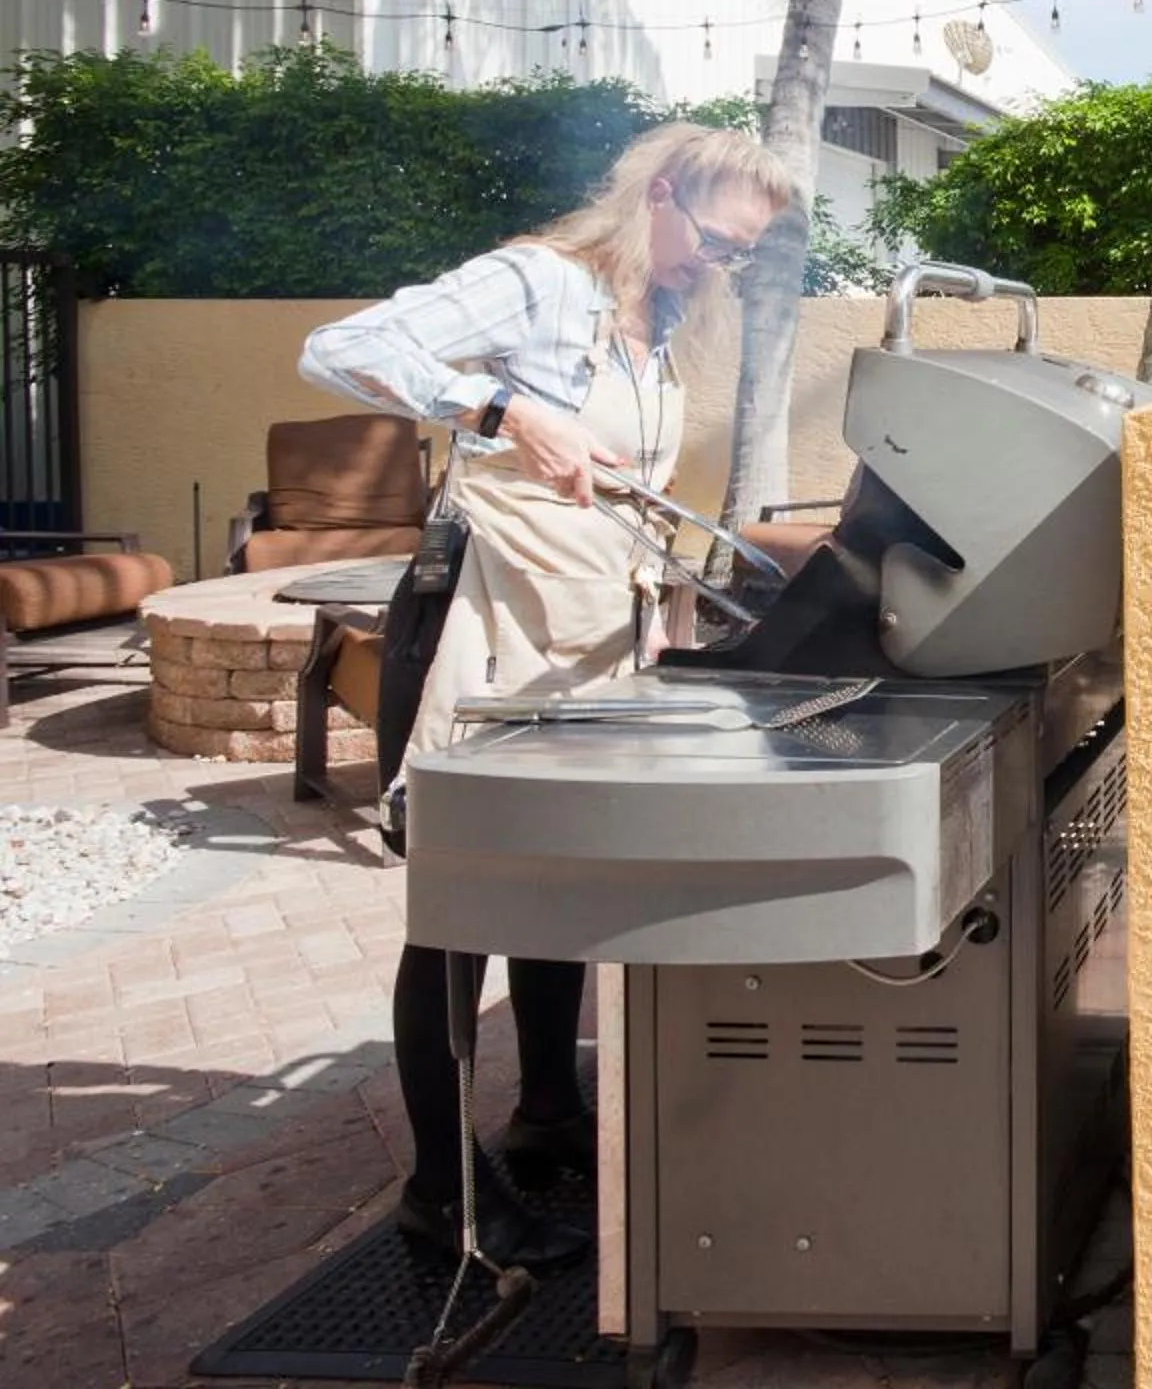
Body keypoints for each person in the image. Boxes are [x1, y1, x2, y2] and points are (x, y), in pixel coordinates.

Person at [301, 123, 794, 1268]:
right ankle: (440, 1191)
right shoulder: (536, 283)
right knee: (461, 907)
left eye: (738, 258)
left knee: (558, 880)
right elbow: (340, 347)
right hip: (484, 630)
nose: (713, 269)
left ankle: (547, 1110)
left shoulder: (654, 325)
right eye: (715, 244)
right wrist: (500, 411)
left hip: (583, 640)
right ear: (658, 197)